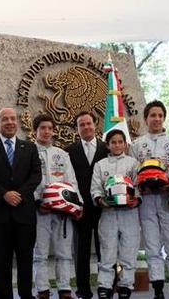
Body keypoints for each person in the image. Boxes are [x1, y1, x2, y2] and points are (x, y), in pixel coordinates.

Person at [0, 107, 42, 299]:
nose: (10, 122)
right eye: (4, 119)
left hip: (24, 214)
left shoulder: (30, 148)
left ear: (18, 122)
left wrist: (18, 194)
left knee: (25, 259)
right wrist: (4, 194)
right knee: (3, 260)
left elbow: (36, 175)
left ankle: (25, 295)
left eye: (13, 118)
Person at [129, 100, 169, 299]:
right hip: (146, 201)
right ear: (145, 119)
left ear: (164, 118)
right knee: (152, 248)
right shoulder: (137, 145)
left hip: (168, 200)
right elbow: (132, 172)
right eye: (153, 115)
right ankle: (158, 291)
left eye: (160, 115)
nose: (157, 119)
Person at [32, 114, 82, 299]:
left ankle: (65, 288)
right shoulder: (29, 152)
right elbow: (26, 182)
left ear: (53, 131)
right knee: (40, 252)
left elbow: (72, 181)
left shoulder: (62, 154)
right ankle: (43, 290)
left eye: (49, 128)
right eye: (42, 128)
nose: (46, 131)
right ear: (35, 131)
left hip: (63, 211)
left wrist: (77, 205)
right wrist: (37, 201)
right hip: (40, 210)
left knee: (64, 253)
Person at [90, 129, 141, 299]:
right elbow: (95, 188)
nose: (117, 145)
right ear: (108, 145)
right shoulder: (100, 164)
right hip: (109, 213)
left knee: (129, 250)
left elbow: (138, 186)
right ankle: (105, 286)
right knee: (107, 251)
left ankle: (126, 285)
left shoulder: (133, 163)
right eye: (113, 142)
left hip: (129, 213)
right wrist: (100, 200)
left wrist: (136, 199)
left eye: (120, 142)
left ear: (126, 144)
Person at [64, 111, 108, 299]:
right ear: (77, 128)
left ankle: (106, 286)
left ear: (95, 125)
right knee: (81, 250)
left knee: (104, 248)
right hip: (80, 208)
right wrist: (75, 205)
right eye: (81, 125)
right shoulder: (69, 151)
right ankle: (83, 289)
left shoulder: (106, 147)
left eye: (88, 123)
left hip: (103, 207)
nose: (86, 127)